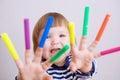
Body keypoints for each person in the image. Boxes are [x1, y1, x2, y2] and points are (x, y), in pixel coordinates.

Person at [16, 12, 96, 80]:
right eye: (47, 37)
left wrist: (85, 66)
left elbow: (86, 72)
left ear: (71, 41)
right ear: (38, 47)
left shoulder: (75, 62)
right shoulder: (37, 69)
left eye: (61, 35)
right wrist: (22, 78)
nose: (55, 41)